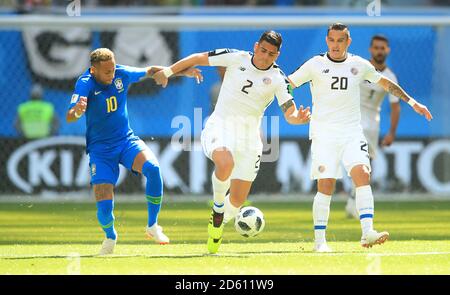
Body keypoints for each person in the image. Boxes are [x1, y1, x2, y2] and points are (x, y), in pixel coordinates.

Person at [154, 30, 311, 254]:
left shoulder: (278, 79)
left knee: (237, 201)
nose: (265, 57)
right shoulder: (235, 57)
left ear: (277, 55)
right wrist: (168, 71)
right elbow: (198, 57)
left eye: (271, 54)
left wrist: (298, 119)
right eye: (263, 50)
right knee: (224, 163)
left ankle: (217, 224)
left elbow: (290, 112)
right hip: (220, 127)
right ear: (256, 46)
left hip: (249, 140)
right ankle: (218, 207)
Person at [287, 23, 432, 252]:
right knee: (326, 185)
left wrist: (413, 103)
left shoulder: (359, 65)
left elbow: (385, 83)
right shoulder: (315, 64)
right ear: (327, 41)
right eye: (332, 40)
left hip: (352, 132)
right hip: (324, 133)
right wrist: (292, 113)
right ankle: (320, 242)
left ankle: (367, 233)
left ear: (348, 42)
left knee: (363, 175)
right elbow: (288, 84)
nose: (335, 45)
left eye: (340, 40)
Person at [66, 48, 201, 255]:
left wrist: (182, 72)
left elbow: (152, 70)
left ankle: (153, 226)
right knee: (103, 207)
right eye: (107, 72)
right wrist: (76, 111)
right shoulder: (84, 83)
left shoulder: (121, 73)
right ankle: (110, 236)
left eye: (113, 69)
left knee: (153, 169)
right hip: (100, 150)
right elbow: (70, 116)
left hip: (125, 141)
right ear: (93, 70)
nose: (112, 75)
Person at [345, 34, 401, 219]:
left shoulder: (390, 77)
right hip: (351, 119)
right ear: (370, 49)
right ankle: (353, 199)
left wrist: (391, 133)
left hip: (372, 124)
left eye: (382, 48)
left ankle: (354, 199)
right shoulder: (359, 67)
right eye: (376, 47)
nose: (379, 51)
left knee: (367, 164)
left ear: (388, 50)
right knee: (352, 160)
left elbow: (395, 106)